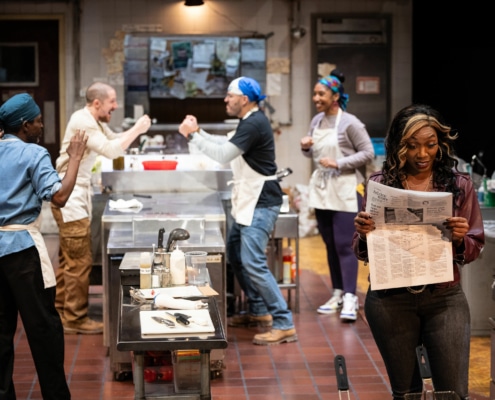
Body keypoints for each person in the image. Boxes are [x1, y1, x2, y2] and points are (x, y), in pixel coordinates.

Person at [353, 104, 485, 399]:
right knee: (406, 393)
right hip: (390, 300)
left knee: (452, 393)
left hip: (444, 298)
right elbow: (363, 252)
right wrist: (363, 234)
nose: (422, 154)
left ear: (440, 144)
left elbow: (475, 247)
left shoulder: (459, 185)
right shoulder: (379, 184)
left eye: (430, 144)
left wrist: (461, 238)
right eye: (412, 146)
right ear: (398, 145)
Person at [178, 76, 297, 345]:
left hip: (261, 202)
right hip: (248, 201)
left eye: (230, 95)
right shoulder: (249, 121)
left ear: (244, 99)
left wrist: (194, 135)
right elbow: (223, 145)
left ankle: (283, 322)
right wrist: (197, 131)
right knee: (234, 253)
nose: (225, 99)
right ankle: (257, 310)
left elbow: (221, 155)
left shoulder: (255, 122)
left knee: (253, 262)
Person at [0, 93, 88, 399]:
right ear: (25, 125)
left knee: (1, 333)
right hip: (22, 250)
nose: (41, 125)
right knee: (44, 330)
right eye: (37, 121)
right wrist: (75, 157)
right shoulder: (33, 153)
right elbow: (59, 196)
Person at [52, 82, 152, 334]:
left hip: (75, 192)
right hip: (70, 196)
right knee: (79, 259)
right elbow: (111, 151)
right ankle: (75, 318)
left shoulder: (93, 121)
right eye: (112, 102)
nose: (115, 106)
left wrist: (132, 132)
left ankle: (62, 312)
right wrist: (138, 129)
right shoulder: (82, 120)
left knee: (69, 258)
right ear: (97, 103)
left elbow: (113, 139)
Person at [300, 69, 374, 320]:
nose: (315, 98)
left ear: (334, 96)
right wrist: (305, 148)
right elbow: (312, 155)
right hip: (322, 189)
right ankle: (338, 292)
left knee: (345, 244)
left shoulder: (350, 123)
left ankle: (351, 298)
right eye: (314, 93)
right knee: (330, 243)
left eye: (320, 93)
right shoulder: (316, 121)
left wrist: (339, 163)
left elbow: (368, 153)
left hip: (345, 189)